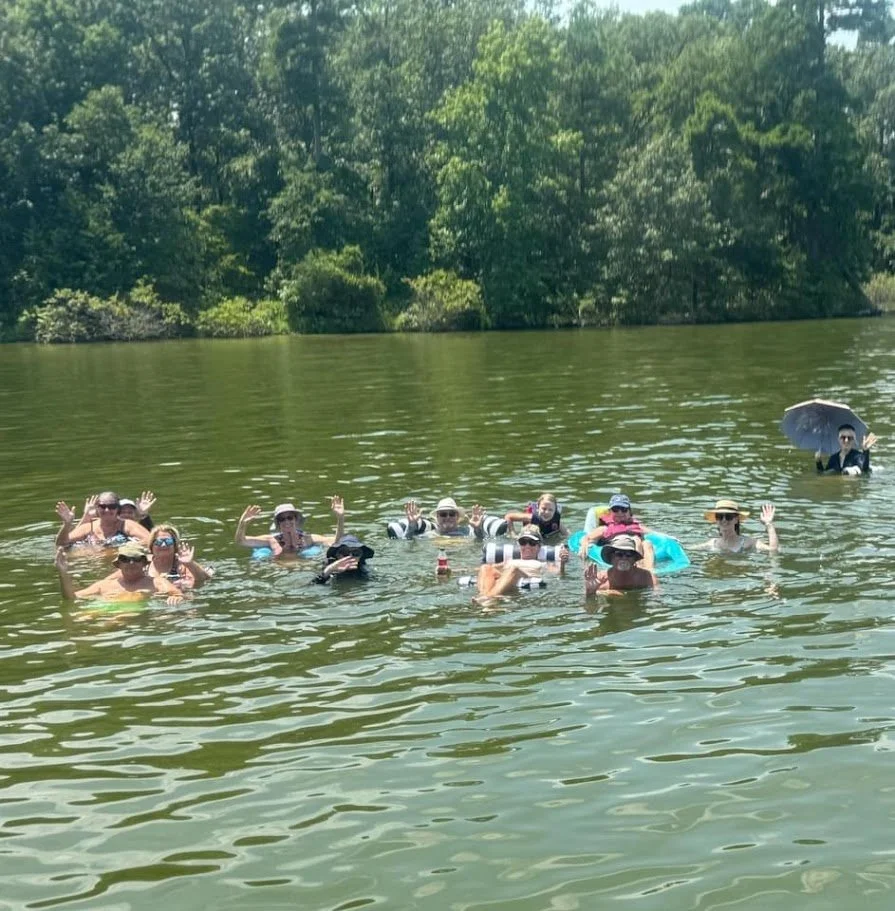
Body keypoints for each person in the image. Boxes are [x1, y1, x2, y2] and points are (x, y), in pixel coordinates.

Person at [55, 543, 182, 605]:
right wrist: (63, 573)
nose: (131, 563)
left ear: (144, 564)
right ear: (119, 564)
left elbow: (178, 594)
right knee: (81, 619)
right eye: (125, 559)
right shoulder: (103, 585)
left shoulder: (156, 582)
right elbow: (71, 598)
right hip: (102, 612)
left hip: (131, 616)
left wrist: (177, 597)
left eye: (136, 559)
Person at [474, 524, 569, 599]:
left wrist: (562, 564)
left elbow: (558, 573)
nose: (527, 546)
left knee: (513, 569)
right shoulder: (509, 561)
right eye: (523, 542)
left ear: (539, 547)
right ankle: (484, 596)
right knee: (485, 567)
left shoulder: (543, 563)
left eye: (532, 543)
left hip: (522, 575)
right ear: (519, 546)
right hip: (506, 576)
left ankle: (488, 598)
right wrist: (461, 570)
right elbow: (488, 569)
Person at [235, 497, 345, 555]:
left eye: (289, 517)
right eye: (282, 519)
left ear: (296, 520)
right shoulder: (271, 540)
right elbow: (241, 541)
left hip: (302, 569)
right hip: (279, 571)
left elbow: (336, 542)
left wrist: (340, 518)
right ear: (278, 523)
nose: (286, 521)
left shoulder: (308, 539)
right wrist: (242, 523)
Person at [579, 494, 654, 568]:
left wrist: (664, 537)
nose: (620, 513)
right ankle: (637, 567)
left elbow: (651, 532)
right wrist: (584, 543)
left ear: (629, 512)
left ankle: (649, 570)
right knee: (634, 540)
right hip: (620, 549)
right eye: (615, 509)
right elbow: (587, 538)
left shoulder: (636, 526)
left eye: (624, 509)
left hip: (636, 549)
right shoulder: (605, 528)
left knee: (647, 543)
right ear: (610, 512)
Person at [55, 492, 152, 548]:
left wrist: (117, 549)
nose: (107, 510)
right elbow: (61, 544)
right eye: (102, 506)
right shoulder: (88, 527)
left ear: (118, 509)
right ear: (97, 508)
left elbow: (150, 541)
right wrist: (66, 524)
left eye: (112, 506)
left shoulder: (127, 525)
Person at [695, 499, 779, 553]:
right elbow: (688, 550)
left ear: (736, 519)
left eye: (728, 516)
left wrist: (769, 524)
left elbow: (773, 550)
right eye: (720, 516)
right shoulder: (712, 544)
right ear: (716, 520)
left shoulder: (749, 543)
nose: (724, 520)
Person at [584, 534, 657, 595]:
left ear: (634, 559)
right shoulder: (600, 580)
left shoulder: (647, 577)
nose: (624, 558)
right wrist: (591, 593)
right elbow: (590, 610)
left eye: (629, 554)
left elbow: (657, 597)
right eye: (619, 554)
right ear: (611, 558)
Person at [147, 524, 213, 590]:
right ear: (151, 545)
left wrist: (190, 564)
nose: (164, 545)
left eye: (168, 541)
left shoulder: (182, 566)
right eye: (159, 542)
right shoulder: (144, 563)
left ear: (175, 546)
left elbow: (203, 580)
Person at [403, 497, 488, 538]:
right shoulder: (430, 535)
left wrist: (478, 529)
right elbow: (408, 543)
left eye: (451, 514)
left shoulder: (468, 532)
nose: (448, 517)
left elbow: (481, 542)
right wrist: (412, 525)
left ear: (457, 517)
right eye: (443, 514)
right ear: (437, 517)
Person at [504, 492, 568, 537]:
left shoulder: (556, 519)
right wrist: (513, 534)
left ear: (555, 510)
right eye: (544, 508)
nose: (547, 512)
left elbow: (566, 534)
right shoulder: (531, 517)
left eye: (550, 510)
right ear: (538, 507)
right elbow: (508, 516)